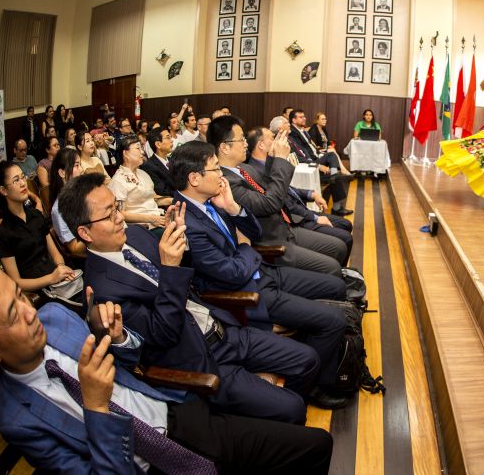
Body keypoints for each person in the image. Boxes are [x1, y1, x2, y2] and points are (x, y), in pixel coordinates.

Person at [0, 259, 334, 474]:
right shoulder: (19, 421)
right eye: (14, 314)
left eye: (21, 296)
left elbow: (130, 364)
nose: (31, 313)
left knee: (316, 445)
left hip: (182, 416)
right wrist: (96, 409)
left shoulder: (55, 315)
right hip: (149, 467)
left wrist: (118, 340)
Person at [58, 174, 322, 424]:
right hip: (200, 360)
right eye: (109, 213)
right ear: (85, 233)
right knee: (292, 408)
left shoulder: (135, 236)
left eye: (117, 207)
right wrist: (171, 268)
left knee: (308, 360)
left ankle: (267, 415)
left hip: (223, 329)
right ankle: (263, 423)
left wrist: (179, 239)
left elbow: (182, 271)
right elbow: (162, 333)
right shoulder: (102, 290)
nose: (120, 217)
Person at [171, 141, 351, 408]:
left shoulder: (213, 202)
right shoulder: (185, 222)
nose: (222, 175)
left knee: (335, 285)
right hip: (249, 294)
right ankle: (312, 387)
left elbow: (254, 234)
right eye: (215, 170)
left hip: (263, 273)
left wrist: (233, 208)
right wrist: (246, 249)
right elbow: (230, 272)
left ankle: (314, 356)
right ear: (194, 178)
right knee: (334, 320)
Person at [210, 116, 346, 276]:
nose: (246, 143)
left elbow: (270, 186)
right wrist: (281, 160)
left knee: (339, 247)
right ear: (225, 147)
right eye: (241, 139)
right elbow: (269, 204)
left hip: (285, 227)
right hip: (272, 241)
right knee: (332, 267)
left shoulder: (244, 168)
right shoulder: (225, 183)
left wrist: (273, 158)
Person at [247, 127, 353, 259]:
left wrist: (311, 194)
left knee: (346, 225)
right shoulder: (254, 172)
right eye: (272, 138)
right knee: (344, 238)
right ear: (261, 145)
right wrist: (315, 218)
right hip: (293, 218)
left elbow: (289, 189)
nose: (277, 142)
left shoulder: (269, 162)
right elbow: (283, 201)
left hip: (298, 210)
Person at [0, 161, 76, 298]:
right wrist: (51, 278)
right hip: (36, 292)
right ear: (3, 190)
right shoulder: (4, 233)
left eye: (22, 177)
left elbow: (55, 254)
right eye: (16, 180)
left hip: (56, 280)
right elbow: (16, 282)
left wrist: (61, 268)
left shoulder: (36, 215)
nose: (22, 183)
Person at [287, 110, 354, 215]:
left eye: (304, 116)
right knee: (333, 163)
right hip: (310, 163)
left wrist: (320, 152)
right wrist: (317, 165)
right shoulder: (292, 134)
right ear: (293, 120)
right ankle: (336, 207)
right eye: (301, 117)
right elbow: (300, 155)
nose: (304, 118)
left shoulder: (302, 130)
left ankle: (334, 175)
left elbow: (311, 147)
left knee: (332, 157)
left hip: (315, 157)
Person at [109, 135, 170, 237]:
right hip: (142, 227)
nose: (142, 152)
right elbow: (120, 213)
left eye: (141, 148)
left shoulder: (143, 173)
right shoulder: (118, 181)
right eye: (138, 148)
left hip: (157, 218)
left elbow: (153, 198)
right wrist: (150, 218)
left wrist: (172, 200)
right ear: (125, 153)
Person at [49, 148, 87, 259]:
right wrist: (97, 230)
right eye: (76, 165)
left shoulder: (84, 192)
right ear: (62, 172)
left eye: (80, 164)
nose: (82, 169)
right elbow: (74, 248)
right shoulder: (59, 209)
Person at [141, 128, 175, 197]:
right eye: (168, 138)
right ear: (158, 144)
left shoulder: (172, 159)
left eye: (171, 137)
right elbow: (162, 191)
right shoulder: (149, 166)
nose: (172, 140)